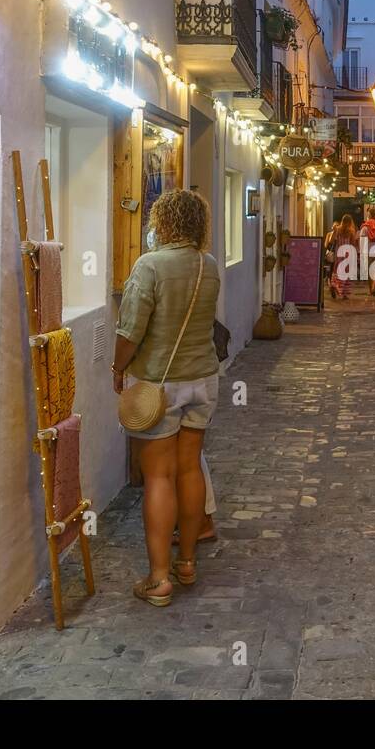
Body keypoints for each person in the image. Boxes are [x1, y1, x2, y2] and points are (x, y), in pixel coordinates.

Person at [113, 190, 221, 606]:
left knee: (159, 477)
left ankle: (159, 579)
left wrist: (117, 368)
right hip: (203, 379)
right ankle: (188, 561)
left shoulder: (150, 265)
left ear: (164, 221)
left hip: (161, 382)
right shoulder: (206, 265)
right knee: (189, 469)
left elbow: (130, 330)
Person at [330, 214, 359, 299]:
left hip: (338, 254)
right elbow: (353, 244)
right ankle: (344, 294)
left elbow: (331, 241)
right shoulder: (351, 231)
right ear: (350, 222)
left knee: (336, 271)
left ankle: (333, 284)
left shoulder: (337, 229)